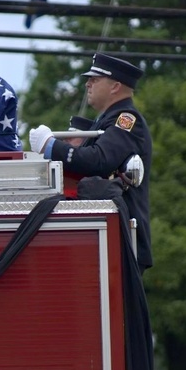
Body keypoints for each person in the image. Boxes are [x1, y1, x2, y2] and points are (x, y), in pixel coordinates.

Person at [29, 53, 153, 269]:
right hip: (107, 231)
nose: (87, 84)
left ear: (115, 87)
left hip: (120, 234)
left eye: (94, 79)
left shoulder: (126, 119)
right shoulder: (106, 121)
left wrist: (51, 146)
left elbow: (99, 161)